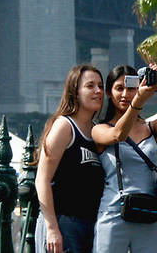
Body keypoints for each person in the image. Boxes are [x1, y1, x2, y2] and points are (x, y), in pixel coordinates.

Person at [91, 64, 157, 253]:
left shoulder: (150, 128)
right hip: (114, 214)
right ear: (109, 93)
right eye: (119, 88)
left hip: (152, 214)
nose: (125, 94)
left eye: (131, 88)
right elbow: (118, 135)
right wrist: (139, 100)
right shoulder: (99, 129)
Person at [34, 64, 105, 253]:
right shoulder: (64, 126)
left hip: (90, 224)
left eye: (100, 85)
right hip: (64, 223)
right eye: (90, 86)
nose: (98, 91)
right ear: (75, 91)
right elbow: (42, 179)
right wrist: (52, 228)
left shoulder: (97, 131)